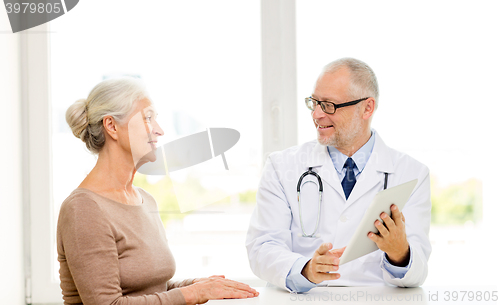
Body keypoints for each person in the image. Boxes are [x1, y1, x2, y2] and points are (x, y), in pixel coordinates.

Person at [58, 77, 259, 305]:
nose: (160, 130)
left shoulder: (145, 200)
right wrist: (192, 294)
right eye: (147, 118)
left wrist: (199, 286)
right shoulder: (84, 209)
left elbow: (153, 290)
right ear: (112, 126)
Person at [246, 58, 431, 292]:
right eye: (314, 103)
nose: (317, 115)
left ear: (367, 108)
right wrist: (305, 270)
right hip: (306, 298)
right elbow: (262, 247)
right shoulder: (281, 166)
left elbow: (418, 269)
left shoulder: (411, 173)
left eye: (329, 105)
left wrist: (400, 252)